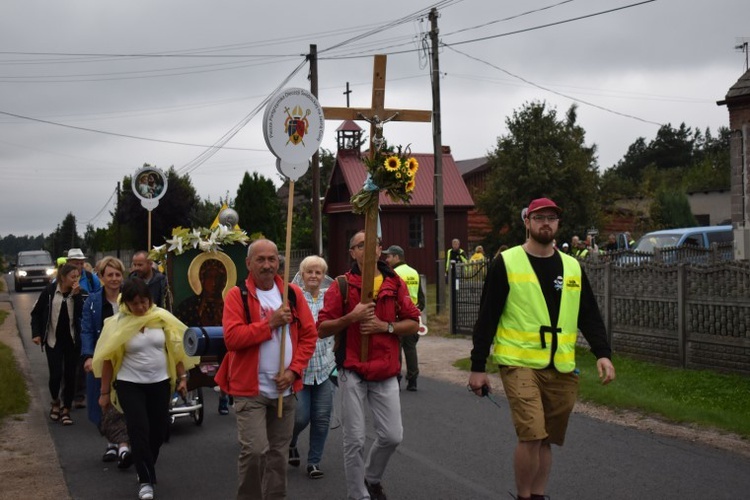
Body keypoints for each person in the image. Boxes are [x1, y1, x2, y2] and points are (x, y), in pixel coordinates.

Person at [468, 197, 616, 500]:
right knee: (532, 434)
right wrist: (478, 367)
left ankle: (538, 495)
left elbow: (588, 313)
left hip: (561, 366)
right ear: (527, 222)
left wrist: (603, 353)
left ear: (558, 223)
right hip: (518, 362)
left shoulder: (572, 267)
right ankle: (524, 496)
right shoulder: (507, 262)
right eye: (539, 217)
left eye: (551, 217)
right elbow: (487, 317)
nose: (545, 223)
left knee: (546, 439)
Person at [318, 231, 421, 500]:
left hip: (385, 369)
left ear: (380, 250)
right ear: (352, 252)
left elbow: (413, 322)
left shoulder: (394, 283)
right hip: (352, 369)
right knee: (354, 440)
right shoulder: (340, 285)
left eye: (372, 244)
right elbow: (322, 328)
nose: (367, 249)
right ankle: (358, 495)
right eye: (360, 245)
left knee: (392, 436)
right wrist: (351, 317)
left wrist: (385, 327)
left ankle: (371, 477)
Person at [215, 239, 317, 500]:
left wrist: (294, 371)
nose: (267, 264)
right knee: (256, 452)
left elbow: (309, 336)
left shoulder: (291, 294)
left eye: (272, 259)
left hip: (285, 388)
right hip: (251, 390)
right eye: (260, 259)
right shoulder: (237, 296)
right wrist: (269, 324)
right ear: (248, 264)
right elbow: (233, 339)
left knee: (278, 455)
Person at [92, 277, 198, 500]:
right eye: (135, 303)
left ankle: (139, 459)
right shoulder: (117, 324)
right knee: (139, 429)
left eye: (144, 302)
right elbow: (108, 360)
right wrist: (103, 393)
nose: (141, 307)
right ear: (126, 303)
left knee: (158, 432)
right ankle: (146, 479)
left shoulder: (161, 318)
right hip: (130, 384)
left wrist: (182, 377)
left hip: (159, 383)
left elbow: (176, 349)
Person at [81, 257, 131, 468]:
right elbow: (87, 330)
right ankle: (112, 441)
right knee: (103, 400)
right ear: (101, 277)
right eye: (109, 275)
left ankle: (123, 444)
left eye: (117, 274)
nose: (114, 279)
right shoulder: (92, 301)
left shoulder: (129, 298)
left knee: (125, 399)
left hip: (127, 358)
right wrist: (88, 356)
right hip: (102, 359)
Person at [288, 255, 336, 479]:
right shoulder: (294, 297)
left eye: (318, 272)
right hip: (300, 370)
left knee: (322, 417)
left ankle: (314, 462)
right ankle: (291, 441)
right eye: (310, 272)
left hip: (324, 369)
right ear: (302, 275)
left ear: (324, 275)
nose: (314, 276)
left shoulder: (330, 297)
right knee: (300, 417)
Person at [31, 263, 85, 427]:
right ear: (63, 277)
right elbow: (37, 313)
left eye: (78, 277)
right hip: (53, 340)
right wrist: (37, 334)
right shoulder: (49, 292)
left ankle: (66, 408)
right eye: (72, 277)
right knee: (55, 375)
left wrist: (77, 296)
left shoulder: (80, 294)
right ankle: (55, 401)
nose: (76, 280)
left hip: (72, 341)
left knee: (70, 376)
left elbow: (83, 314)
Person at [382, 244, 425, 392]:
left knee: (396, 348)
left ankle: (396, 379)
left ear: (397, 257)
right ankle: (413, 380)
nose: (386, 259)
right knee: (411, 349)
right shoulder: (414, 272)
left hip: (398, 317)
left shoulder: (393, 273)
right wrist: (417, 310)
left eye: (389, 256)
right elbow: (421, 298)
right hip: (413, 316)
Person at [65, 248, 101, 409]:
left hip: (85, 325)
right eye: (75, 263)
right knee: (68, 362)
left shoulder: (90, 278)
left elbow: (99, 295)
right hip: (67, 326)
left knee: (82, 359)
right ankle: (66, 393)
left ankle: (79, 395)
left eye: (81, 263)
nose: (79, 266)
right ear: (68, 263)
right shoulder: (60, 279)